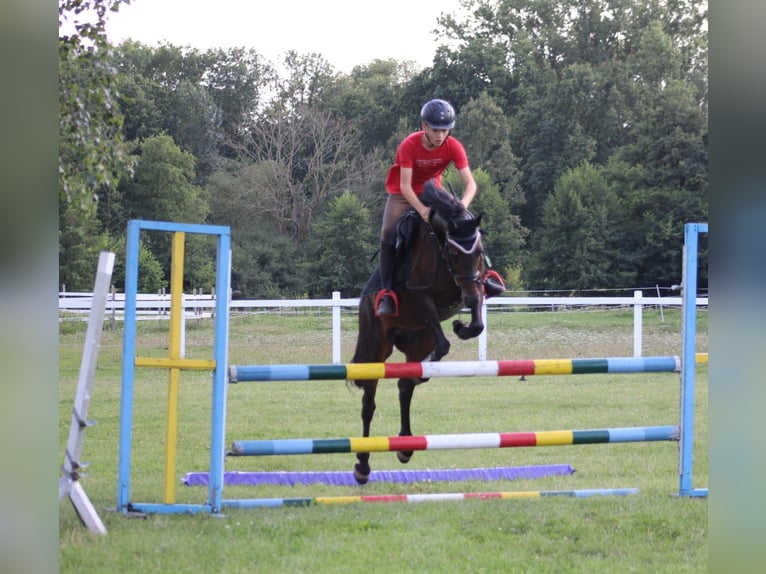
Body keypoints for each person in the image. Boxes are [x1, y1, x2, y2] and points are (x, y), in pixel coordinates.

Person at [375, 98, 479, 317]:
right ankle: (387, 292)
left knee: (467, 224)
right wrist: (422, 210)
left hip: (433, 191)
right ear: (424, 127)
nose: (441, 136)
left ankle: (485, 276)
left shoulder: (454, 146)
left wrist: (462, 207)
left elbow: (470, 184)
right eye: (436, 130)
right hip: (402, 194)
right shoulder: (409, 145)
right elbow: (405, 186)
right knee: (387, 232)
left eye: (445, 130)